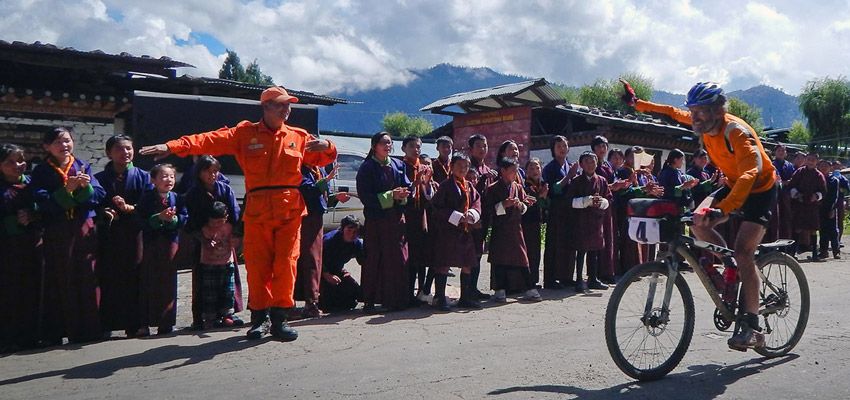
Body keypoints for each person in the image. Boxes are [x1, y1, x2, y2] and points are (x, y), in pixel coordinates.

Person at [140, 86, 337, 342]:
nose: (287, 109)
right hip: (258, 210)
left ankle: (279, 319)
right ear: (266, 107)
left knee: (286, 264)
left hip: (289, 210)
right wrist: (172, 146)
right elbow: (208, 140)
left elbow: (323, 158)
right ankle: (259, 319)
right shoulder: (244, 134)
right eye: (281, 105)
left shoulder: (298, 136)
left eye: (289, 105)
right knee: (257, 266)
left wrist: (328, 145)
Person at [622, 79, 778, 351]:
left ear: (718, 110)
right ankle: (729, 262)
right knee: (697, 220)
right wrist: (639, 104)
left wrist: (724, 209)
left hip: (759, 189)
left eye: (700, 110)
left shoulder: (737, 132)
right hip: (732, 183)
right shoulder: (703, 124)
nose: (693, 116)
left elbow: (750, 173)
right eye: (692, 110)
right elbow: (671, 112)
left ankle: (751, 325)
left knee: (744, 252)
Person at [31, 127, 105, 344]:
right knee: (62, 278)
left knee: (87, 276)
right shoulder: (42, 171)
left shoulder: (82, 165)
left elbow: (99, 193)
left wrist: (85, 188)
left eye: (67, 141)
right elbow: (39, 200)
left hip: (83, 227)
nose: (64, 146)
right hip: (58, 230)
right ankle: (63, 330)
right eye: (57, 142)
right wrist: (67, 191)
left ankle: (91, 330)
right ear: (46, 147)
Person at [95, 135, 152, 337]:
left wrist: (131, 208)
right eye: (119, 149)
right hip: (109, 236)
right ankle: (107, 324)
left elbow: (149, 204)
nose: (125, 153)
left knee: (135, 277)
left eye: (129, 148)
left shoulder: (143, 176)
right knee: (108, 278)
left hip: (134, 235)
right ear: (109, 153)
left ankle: (135, 324)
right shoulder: (100, 178)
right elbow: (95, 204)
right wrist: (106, 212)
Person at [183, 155, 244, 329]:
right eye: (208, 172)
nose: (212, 175)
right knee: (203, 281)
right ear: (199, 172)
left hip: (225, 240)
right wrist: (202, 238)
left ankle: (227, 315)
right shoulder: (193, 193)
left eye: (215, 171)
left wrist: (235, 235)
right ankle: (202, 317)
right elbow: (190, 219)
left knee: (227, 280)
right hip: (202, 241)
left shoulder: (225, 190)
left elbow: (235, 213)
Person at [356, 132, 411, 313]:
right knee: (375, 259)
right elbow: (366, 197)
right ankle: (370, 300)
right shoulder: (367, 168)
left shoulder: (398, 164)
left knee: (397, 260)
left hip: (396, 220)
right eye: (383, 143)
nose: (387, 146)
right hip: (376, 221)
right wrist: (390, 196)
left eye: (389, 143)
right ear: (374, 146)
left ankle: (395, 300)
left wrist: (403, 195)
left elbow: (407, 186)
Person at [0, 144, 42, 351]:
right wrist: (12, 221)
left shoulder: (33, 185)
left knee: (31, 290)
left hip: (32, 246)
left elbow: (46, 209)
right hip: (6, 249)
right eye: (10, 161)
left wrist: (33, 216)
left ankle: (30, 335)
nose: (18, 165)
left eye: (20, 160)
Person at [136, 163, 186, 336]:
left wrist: (173, 220)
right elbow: (140, 219)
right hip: (151, 244)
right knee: (148, 281)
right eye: (164, 176)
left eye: (171, 176)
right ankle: (144, 323)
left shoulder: (178, 198)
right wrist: (158, 218)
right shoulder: (147, 198)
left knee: (168, 282)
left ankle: (166, 322)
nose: (169, 180)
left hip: (171, 243)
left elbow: (184, 217)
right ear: (153, 180)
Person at [296, 161, 349, 318]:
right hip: (304, 219)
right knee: (306, 260)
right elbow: (307, 192)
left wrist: (334, 198)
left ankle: (312, 301)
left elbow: (320, 198)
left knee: (315, 260)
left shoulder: (318, 169)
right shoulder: (300, 168)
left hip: (316, 220)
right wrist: (326, 180)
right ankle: (302, 303)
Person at [431, 153, 483, 311]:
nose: (463, 168)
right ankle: (440, 298)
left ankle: (465, 297)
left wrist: (472, 214)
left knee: (467, 264)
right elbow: (436, 208)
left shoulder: (468, 186)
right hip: (448, 231)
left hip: (465, 230)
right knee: (444, 264)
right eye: (459, 165)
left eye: (466, 166)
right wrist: (457, 217)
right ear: (452, 167)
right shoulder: (446, 186)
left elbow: (476, 202)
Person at [485, 157, 541, 303]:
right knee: (500, 260)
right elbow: (489, 210)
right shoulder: (493, 188)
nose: (515, 174)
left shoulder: (518, 187)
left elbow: (524, 206)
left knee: (522, 259)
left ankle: (530, 288)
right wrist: (503, 204)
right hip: (501, 229)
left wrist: (521, 205)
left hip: (516, 229)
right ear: (503, 171)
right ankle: (500, 290)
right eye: (512, 171)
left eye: (516, 171)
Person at [566, 152, 613, 292]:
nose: (590, 164)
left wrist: (601, 202)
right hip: (581, 221)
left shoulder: (602, 181)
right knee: (581, 251)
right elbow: (569, 201)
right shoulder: (576, 181)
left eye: (593, 161)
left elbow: (609, 199)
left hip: (596, 220)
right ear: (581, 165)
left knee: (595, 250)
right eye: (586, 162)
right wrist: (586, 201)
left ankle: (593, 279)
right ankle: (579, 280)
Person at [401, 137, 436, 307]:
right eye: (412, 146)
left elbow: (429, 196)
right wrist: (414, 183)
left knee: (421, 257)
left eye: (419, 147)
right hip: (405, 216)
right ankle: (406, 294)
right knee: (407, 258)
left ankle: (422, 292)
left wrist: (427, 184)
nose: (416, 150)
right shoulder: (400, 167)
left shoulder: (424, 168)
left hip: (421, 217)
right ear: (403, 148)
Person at [590, 136, 630, 284]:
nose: (602, 149)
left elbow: (610, 185)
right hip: (597, 206)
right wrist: (614, 186)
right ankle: (597, 273)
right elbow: (597, 186)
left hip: (610, 205)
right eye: (599, 146)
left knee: (610, 238)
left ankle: (608, 271)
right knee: (599, 239)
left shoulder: (606, 165)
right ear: (594, 148)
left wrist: (620, 186)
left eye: (604, 146)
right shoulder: (593, 164)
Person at [196, 201, 241, 328]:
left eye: (220, 221)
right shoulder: (205, 229)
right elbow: (204, 242)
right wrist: (209, 244)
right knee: (210, 292)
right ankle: (210, 317)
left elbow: (235, 244)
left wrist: (234, 243)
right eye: (213, 222)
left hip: (227, 263)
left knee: (228, 291)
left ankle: (227, 315)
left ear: (226, 218)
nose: (216, 225)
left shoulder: (229, 228)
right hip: (209, 263)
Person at [542, 135, 579, 289]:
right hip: (556, 210)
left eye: (564, 145)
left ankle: (566, 276)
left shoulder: (569, 165)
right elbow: (554, 189)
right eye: (559, 146)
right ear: (553, 150)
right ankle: (550, 280)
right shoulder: (550, 168)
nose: (562, 149)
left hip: (569, 210)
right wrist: (569, 176)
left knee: (568, 244)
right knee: (553, 245)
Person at [468, 134, 496, 300]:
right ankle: (467, 289)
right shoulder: (467, 167)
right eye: (478, 146)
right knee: (469, 253)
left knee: (478, 252)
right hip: (471, 217)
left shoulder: (487, 169)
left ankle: (474, 287)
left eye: (484, 146)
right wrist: (482, 180)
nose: (482, 149)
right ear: (471, 149)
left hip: (484, 217)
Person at [319, 215, 366, 313]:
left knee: (355, 295)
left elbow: (363, 261)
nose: (352, 234)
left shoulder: (356, 242)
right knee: (327, 305)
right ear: (342, 229)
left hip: (338, 272)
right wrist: (326, 274)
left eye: (355, 232)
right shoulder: (329, 240)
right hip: (321, 273)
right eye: (349, 230)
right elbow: (318, 259)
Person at [788, 153, 826, 261]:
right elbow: (792, 186)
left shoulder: (819, 175)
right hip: (800, 204)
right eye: (809, 159)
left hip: (812, 206)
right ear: (806, 160)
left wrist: (817, 196)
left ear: (816, 161)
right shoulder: (799, 172)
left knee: (813, 229)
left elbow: (823, 191)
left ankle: (814, 253)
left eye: (813, 160)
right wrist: (796, 195)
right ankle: (793, 252)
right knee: (798, 228)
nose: (810, 161)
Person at [522, 158, 548, 289]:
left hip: (537, 223)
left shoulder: (542, 185)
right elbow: (529, 204)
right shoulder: (524, 186)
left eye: (537, 168)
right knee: (528, 252)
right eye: (531, 168)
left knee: (536, 253)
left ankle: (533, 280)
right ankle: (526, 282)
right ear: (526, 172)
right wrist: (541, 197)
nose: (534, 171)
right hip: (526, 223)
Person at [817, 160, 842, 259]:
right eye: (822, 166)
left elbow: (835, 196)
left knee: (833, 230)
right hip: (820, 208)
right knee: (823, 230)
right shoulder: (818, 179)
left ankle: (836, 251)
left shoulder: (834, 180)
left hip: (831, 208)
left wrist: (832, 209)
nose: (824, 168)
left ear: (830, 167)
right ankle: (824, 251)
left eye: (826, 166)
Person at [772, 145, 796, 240]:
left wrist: (789, 182)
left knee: (786, 218)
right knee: (775, 219)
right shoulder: (771, 165)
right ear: (775, 152)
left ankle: (786, 241)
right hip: (774, 195)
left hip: (786, 195)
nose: (781, 152)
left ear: (786, 153)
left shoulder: (790, 165)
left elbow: (794, 179)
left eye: (783, 150)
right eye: (779, 150)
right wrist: (783, 182)